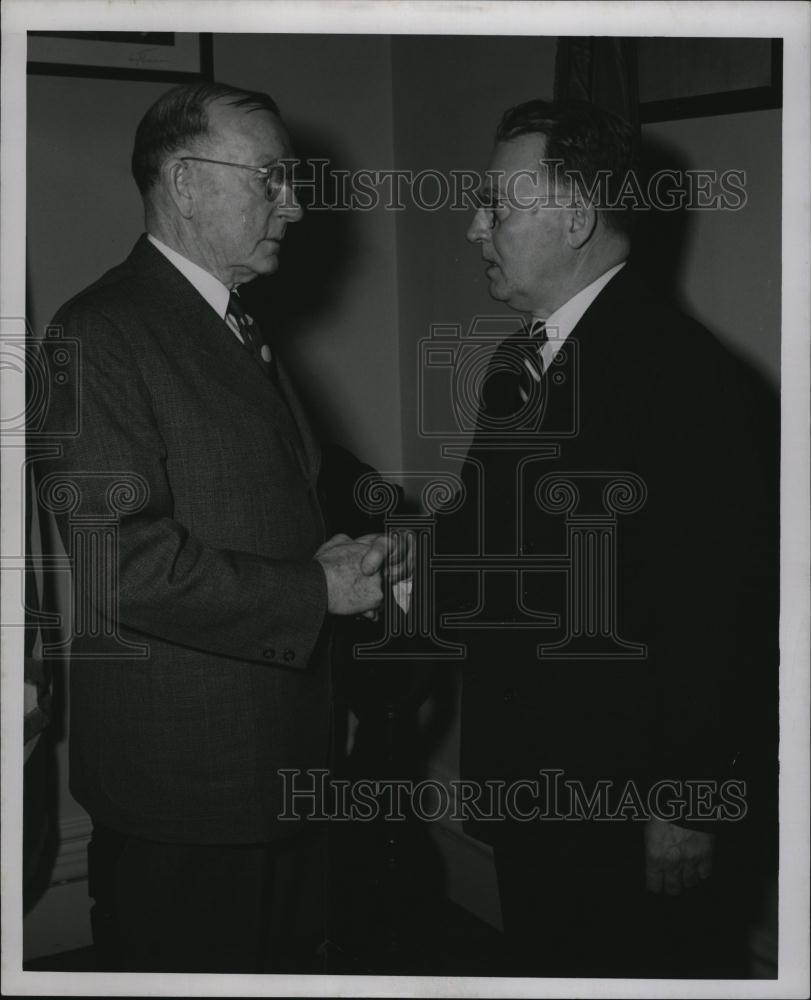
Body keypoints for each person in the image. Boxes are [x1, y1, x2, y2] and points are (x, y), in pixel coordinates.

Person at [37, 81, 408, 973]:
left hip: (277, 764)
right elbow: (122, 564)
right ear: (186, 183)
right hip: (189, 791)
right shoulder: (98, 333)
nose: (299, 201)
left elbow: (281, 500)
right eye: (273, 178)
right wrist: (313, 588)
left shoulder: (232, 323)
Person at [445, 99, 778, 977]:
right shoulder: (518, 359)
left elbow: (723, 616)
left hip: (631, 806)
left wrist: (685, 804)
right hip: (538, 782)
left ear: (577, 217)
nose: (474, 225)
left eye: (497, 205)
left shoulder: (692, 382)